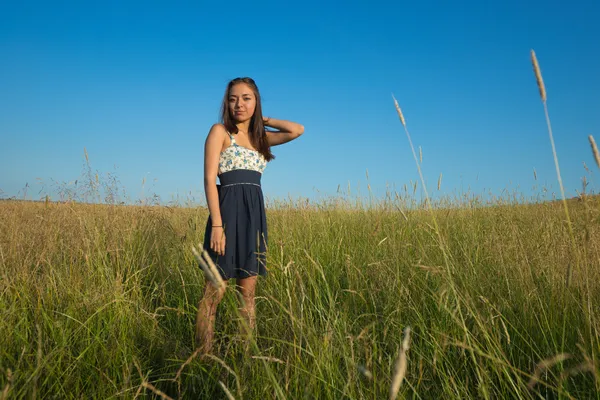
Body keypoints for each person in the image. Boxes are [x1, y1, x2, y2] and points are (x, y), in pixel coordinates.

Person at [196, 77, 304, 354]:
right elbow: (209, 180)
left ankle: (245, 354)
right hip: (226, 214)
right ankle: (205, 356)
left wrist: (261, 118)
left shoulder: (260, 138)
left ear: (256, 102)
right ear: (226, 103)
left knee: (248, 293)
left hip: (254, 216)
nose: (239, 104)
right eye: (233, 98)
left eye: (246, 98)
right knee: (215, 292)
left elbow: (296, 130)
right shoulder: (220, 132)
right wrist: (217, 225)